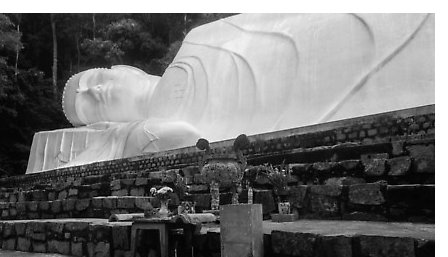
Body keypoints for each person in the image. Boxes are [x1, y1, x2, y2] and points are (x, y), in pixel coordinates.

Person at [26, 13, 434, 172]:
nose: (99, 86)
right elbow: (185, 138)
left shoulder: (199, 36)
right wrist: (134, 135)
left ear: (129, 68)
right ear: (105, 122)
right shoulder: (149, 130)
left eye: (99, 75)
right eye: (91, 100)